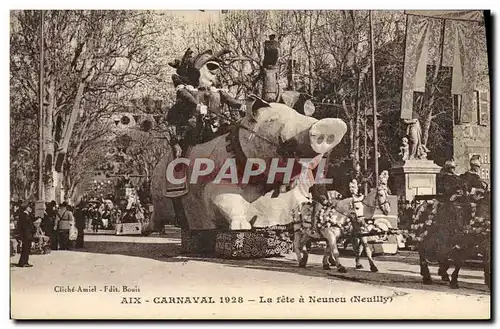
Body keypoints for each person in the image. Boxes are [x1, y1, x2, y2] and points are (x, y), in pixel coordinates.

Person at [17, 203, 34, 267]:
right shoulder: (25, 216)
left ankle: (23, 262)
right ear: (26, 208)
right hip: (26, 234)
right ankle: (23, 262)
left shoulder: (24, 215)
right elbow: (26, 226)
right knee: (26, 248)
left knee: (26, 248)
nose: (31, 209)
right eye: (30, 208)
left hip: (26, 234)